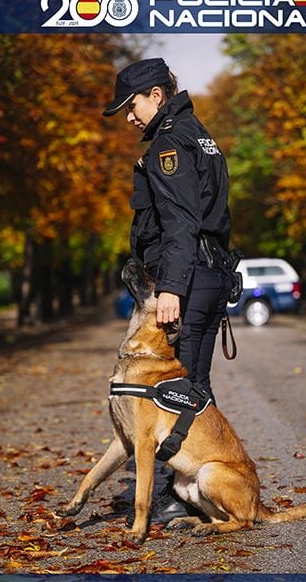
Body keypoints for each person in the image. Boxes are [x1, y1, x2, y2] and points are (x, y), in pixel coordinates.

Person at [103, 57, 233, 525]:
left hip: (190, 277)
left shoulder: (170, 142)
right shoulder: (197, 132)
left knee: (181, 389)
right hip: (207, 273)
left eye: (131, 106)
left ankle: (183, 495)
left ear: (156, 95)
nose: (129, 117)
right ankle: (192, 486)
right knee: (190, 384)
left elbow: (180, 222)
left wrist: (172, 287)